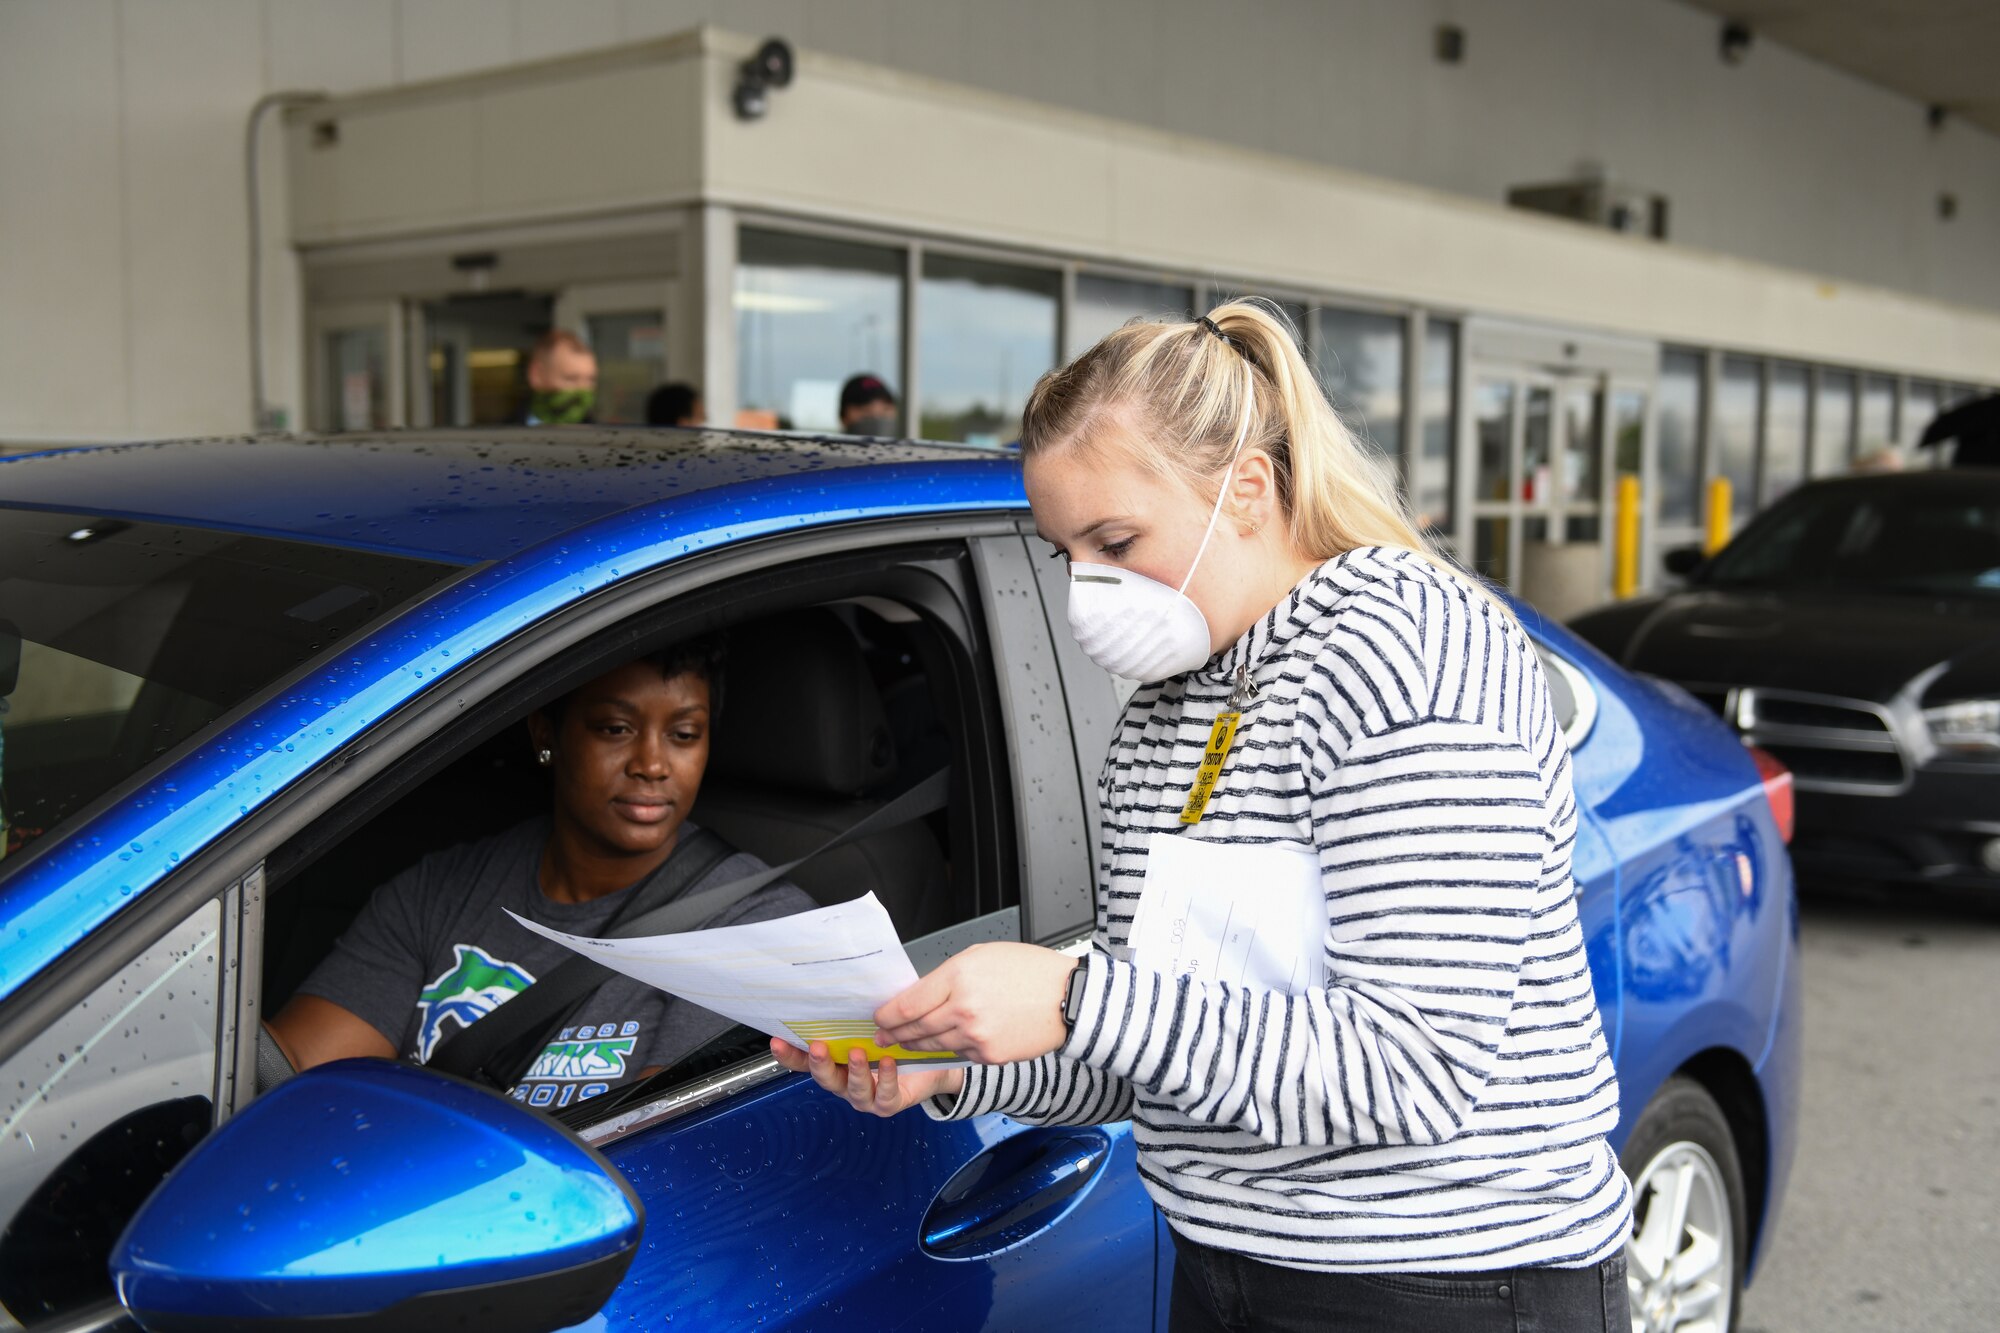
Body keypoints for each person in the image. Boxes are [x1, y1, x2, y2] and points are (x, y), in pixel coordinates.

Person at [774, 300, 1634, 1331]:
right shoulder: (1165, 713)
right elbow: (1180, 1046)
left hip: (1446, 1283)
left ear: (1247, 490)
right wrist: (954, 1058)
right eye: (1064, 554)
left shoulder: (1407, 655)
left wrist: (1076, 997)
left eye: (1116, 539)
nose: (1086, 589)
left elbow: (1413, 1068)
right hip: (1227, 1267)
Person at [268, 636, 815, 1111]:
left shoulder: (751, 925)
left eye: (684, 734)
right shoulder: (443, 889)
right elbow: (290, 1076)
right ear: (545, 736)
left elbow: (654, 1146)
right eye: (616, 728)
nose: (651, 764)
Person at [520, 329, 598, 425]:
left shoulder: (602, 435)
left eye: (590, 380)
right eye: (571, 379)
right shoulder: (501, 432)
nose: (583, 389)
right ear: (536, 375)